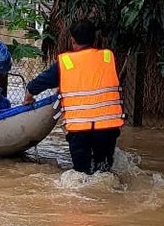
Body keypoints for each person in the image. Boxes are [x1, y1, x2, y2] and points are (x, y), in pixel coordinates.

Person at [23, 19, 124, 174]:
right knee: (104, 172)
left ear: (72, 40)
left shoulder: (66, 62)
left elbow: (38, 84)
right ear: (94, 38)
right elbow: (94, 80)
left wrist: (28, 96)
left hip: (79, 129)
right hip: (107, 127)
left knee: (81, 174)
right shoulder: (108, 57)